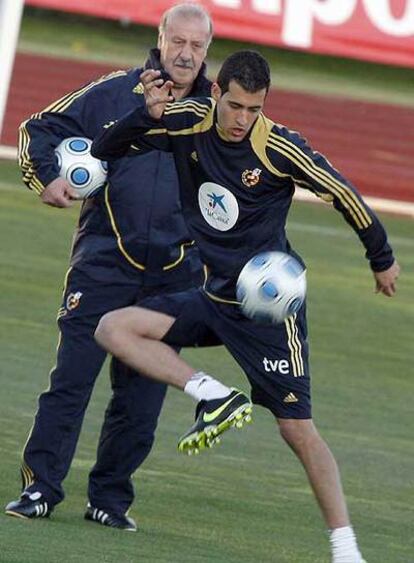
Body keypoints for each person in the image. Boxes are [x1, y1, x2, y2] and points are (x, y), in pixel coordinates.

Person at [92, 50, 400, 561]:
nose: (242, 120)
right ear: (216, 94)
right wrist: (144, 115)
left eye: (254, 110)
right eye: (235, 106)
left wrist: (381, 258)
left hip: (268, 311)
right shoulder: (187, 122)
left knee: (296, 430)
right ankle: (213, 394)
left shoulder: (280, 147)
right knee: (112, 328)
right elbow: (108, 147)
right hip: (214, 298)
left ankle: (347, 550)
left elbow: (342, 192)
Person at [5, 3, 214, 531]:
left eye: (197, 46)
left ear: (208, 50)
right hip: (102, 265)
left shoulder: (218, 112)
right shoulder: (115, 92)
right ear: (160, 38)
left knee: (141, 403)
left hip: (174, 279)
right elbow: (38, 128)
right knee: (70, 383)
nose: (186, 54)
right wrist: (46, 178)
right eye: (178, 42)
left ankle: (110, 499)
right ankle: (39, 488)